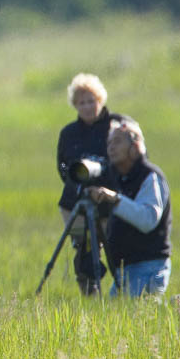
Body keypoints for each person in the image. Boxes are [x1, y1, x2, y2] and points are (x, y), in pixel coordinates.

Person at [56, 73, 124, 295]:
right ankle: (89, 290)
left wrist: (105, 188)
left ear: (100, 100)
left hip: (109, 201)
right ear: (75, 105)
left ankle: (120, 290)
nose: (86, 107)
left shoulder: (116, 127)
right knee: (83, 248)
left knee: (114, 247)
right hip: (76, 204)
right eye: (81, 102)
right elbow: (63, 168)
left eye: (91, 101)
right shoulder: (68, 134)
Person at [86, 120, 171, 297]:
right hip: (124, 269)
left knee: (136, 317)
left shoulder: (149, 176)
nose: (111, 147)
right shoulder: (117, 177)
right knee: (114, 319)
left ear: (135, 146)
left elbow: (147, 219)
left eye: (117, 141)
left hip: (148, 266)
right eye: (109, 143)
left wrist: (114, 199)